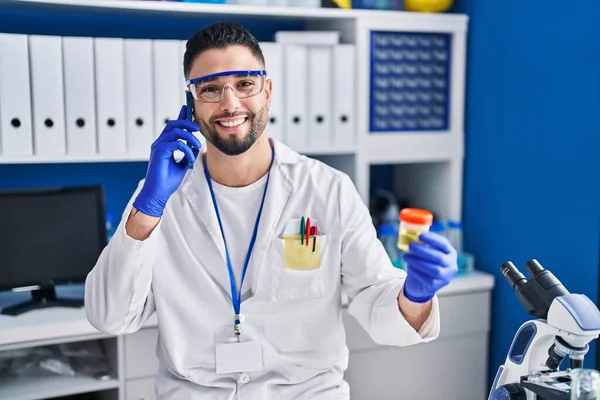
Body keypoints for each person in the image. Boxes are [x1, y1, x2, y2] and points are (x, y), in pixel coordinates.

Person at [84, 22, 458, 399]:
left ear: (268, 91)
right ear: (191, 105)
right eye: (210, 89)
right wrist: (148, 208)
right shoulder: (160, 198)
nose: (229, 103)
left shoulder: (328, 189)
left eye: (245, 83)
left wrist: (416, 294)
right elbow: (110, 316)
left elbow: (380, 310)